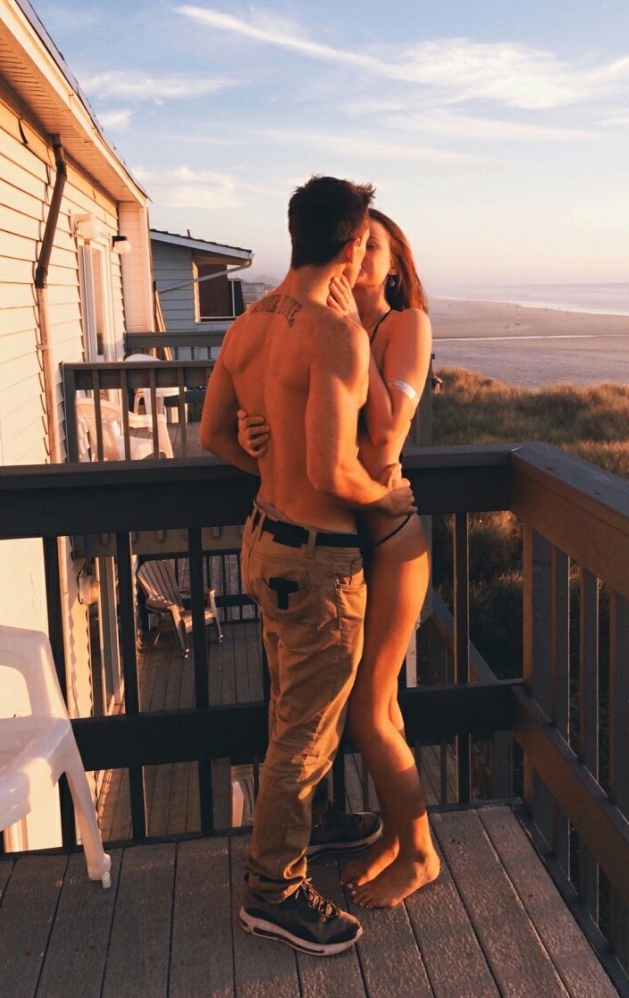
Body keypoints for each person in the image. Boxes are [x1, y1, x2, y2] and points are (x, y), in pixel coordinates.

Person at [200, 176, 416, 956]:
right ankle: (273, 890)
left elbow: (213, 435)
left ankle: (312, 829)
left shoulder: (249, 323)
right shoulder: (335, 334)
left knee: (292, 711)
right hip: (318, 561)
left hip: (263, 538)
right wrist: (385, 497)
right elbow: (333, 473)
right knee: (307, 734)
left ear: (294, 235)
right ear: (355, 243)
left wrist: (265, 467)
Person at [239, 207, 440, 909]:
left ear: (393, 265)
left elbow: (384, 439)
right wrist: (256, 423)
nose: (361, 259)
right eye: (358, 245)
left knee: (369, 714)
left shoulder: (402, 326)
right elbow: (312, 430)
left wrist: (352, 332)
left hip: (390, 534)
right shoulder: (331, 336)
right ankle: (393, 833)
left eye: (376, 248)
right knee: (374, 708)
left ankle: (420, 855)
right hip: (349, 535)